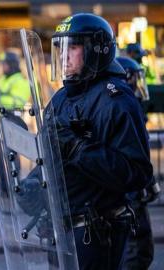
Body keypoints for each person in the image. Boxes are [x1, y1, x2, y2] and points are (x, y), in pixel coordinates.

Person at [49, 13, 153, 269]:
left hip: (98, 231)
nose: (64, 56)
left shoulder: (116, 101)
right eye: (60, 48)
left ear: (96, 50)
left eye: (72, 47)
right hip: (61, 227)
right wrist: (31, 186)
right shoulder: (60, 98)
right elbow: (50, 154)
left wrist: (78, 149)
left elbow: (137, 173)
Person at [116, 56, 160, 270]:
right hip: (129, 201)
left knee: (142, 253)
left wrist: (149, 182)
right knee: (134, 256)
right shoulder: (123, 110)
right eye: (135, 79)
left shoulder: (130, 109)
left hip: (135, 198)